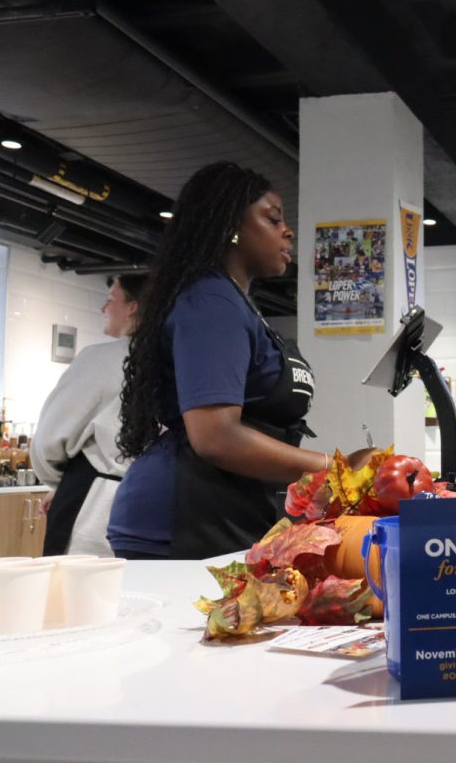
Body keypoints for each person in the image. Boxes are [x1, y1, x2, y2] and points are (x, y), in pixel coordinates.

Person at [110, 161, 328, 560]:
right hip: (186, 517)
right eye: (273, 218)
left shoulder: (234, 303)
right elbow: (215, 436)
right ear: (231, 225)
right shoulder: (211, 302)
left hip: (224, 507)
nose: (287, 230)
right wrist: (329, 469)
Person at [32, 273, 147, 557]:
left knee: (76, 595)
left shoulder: (100, 358)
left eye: (111, 300)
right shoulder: (177, 358)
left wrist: (60, 483)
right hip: (154, 505)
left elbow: (48, 441)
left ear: (133, 306)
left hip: (95, 507)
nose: (104, 308)